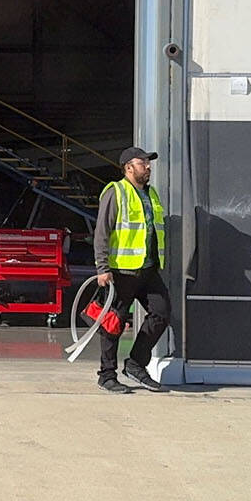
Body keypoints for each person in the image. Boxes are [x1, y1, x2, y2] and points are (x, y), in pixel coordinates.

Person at [90, 146, 170, 393]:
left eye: (148, 163)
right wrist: (103, 268)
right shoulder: (116, 192)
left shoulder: (151, 194)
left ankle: (135, 364)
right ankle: (107, 375)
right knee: (113, 322)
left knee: (162, 312)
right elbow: (102, 232)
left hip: (147, 270)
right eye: (143, 162)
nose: (148, 166)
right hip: (121, 271)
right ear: (128, 167)